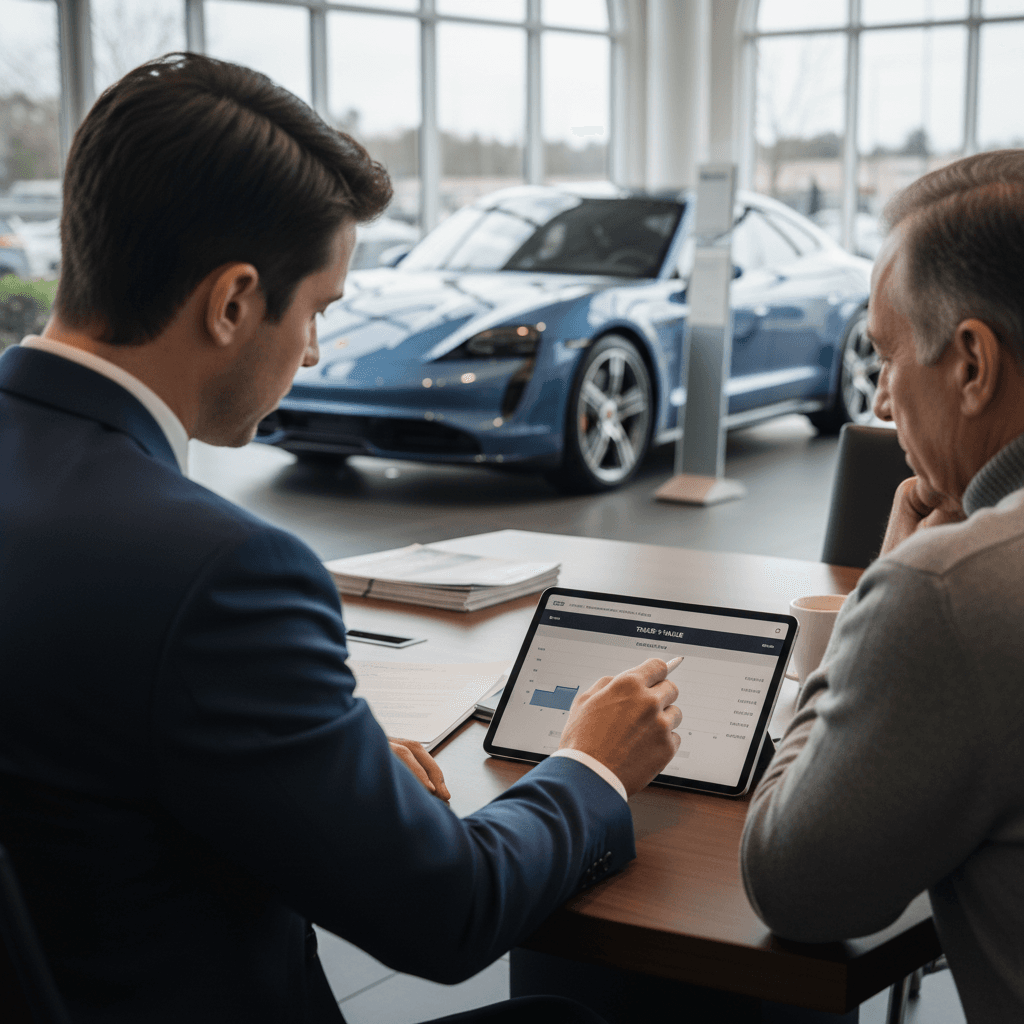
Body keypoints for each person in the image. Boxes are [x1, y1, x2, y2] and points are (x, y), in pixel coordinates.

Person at [0, 54, 684, 1024]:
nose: (315, 350)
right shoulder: (222, 574)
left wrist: (320, 775)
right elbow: (451, 911)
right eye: (318, 309)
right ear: (233, 302)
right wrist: (591, 764)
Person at [741, 149, 1024, 1023]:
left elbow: (792, 882)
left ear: (972, 364)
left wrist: (885, 586)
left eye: (888, 355)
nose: (882, 404)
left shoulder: (953, 592)